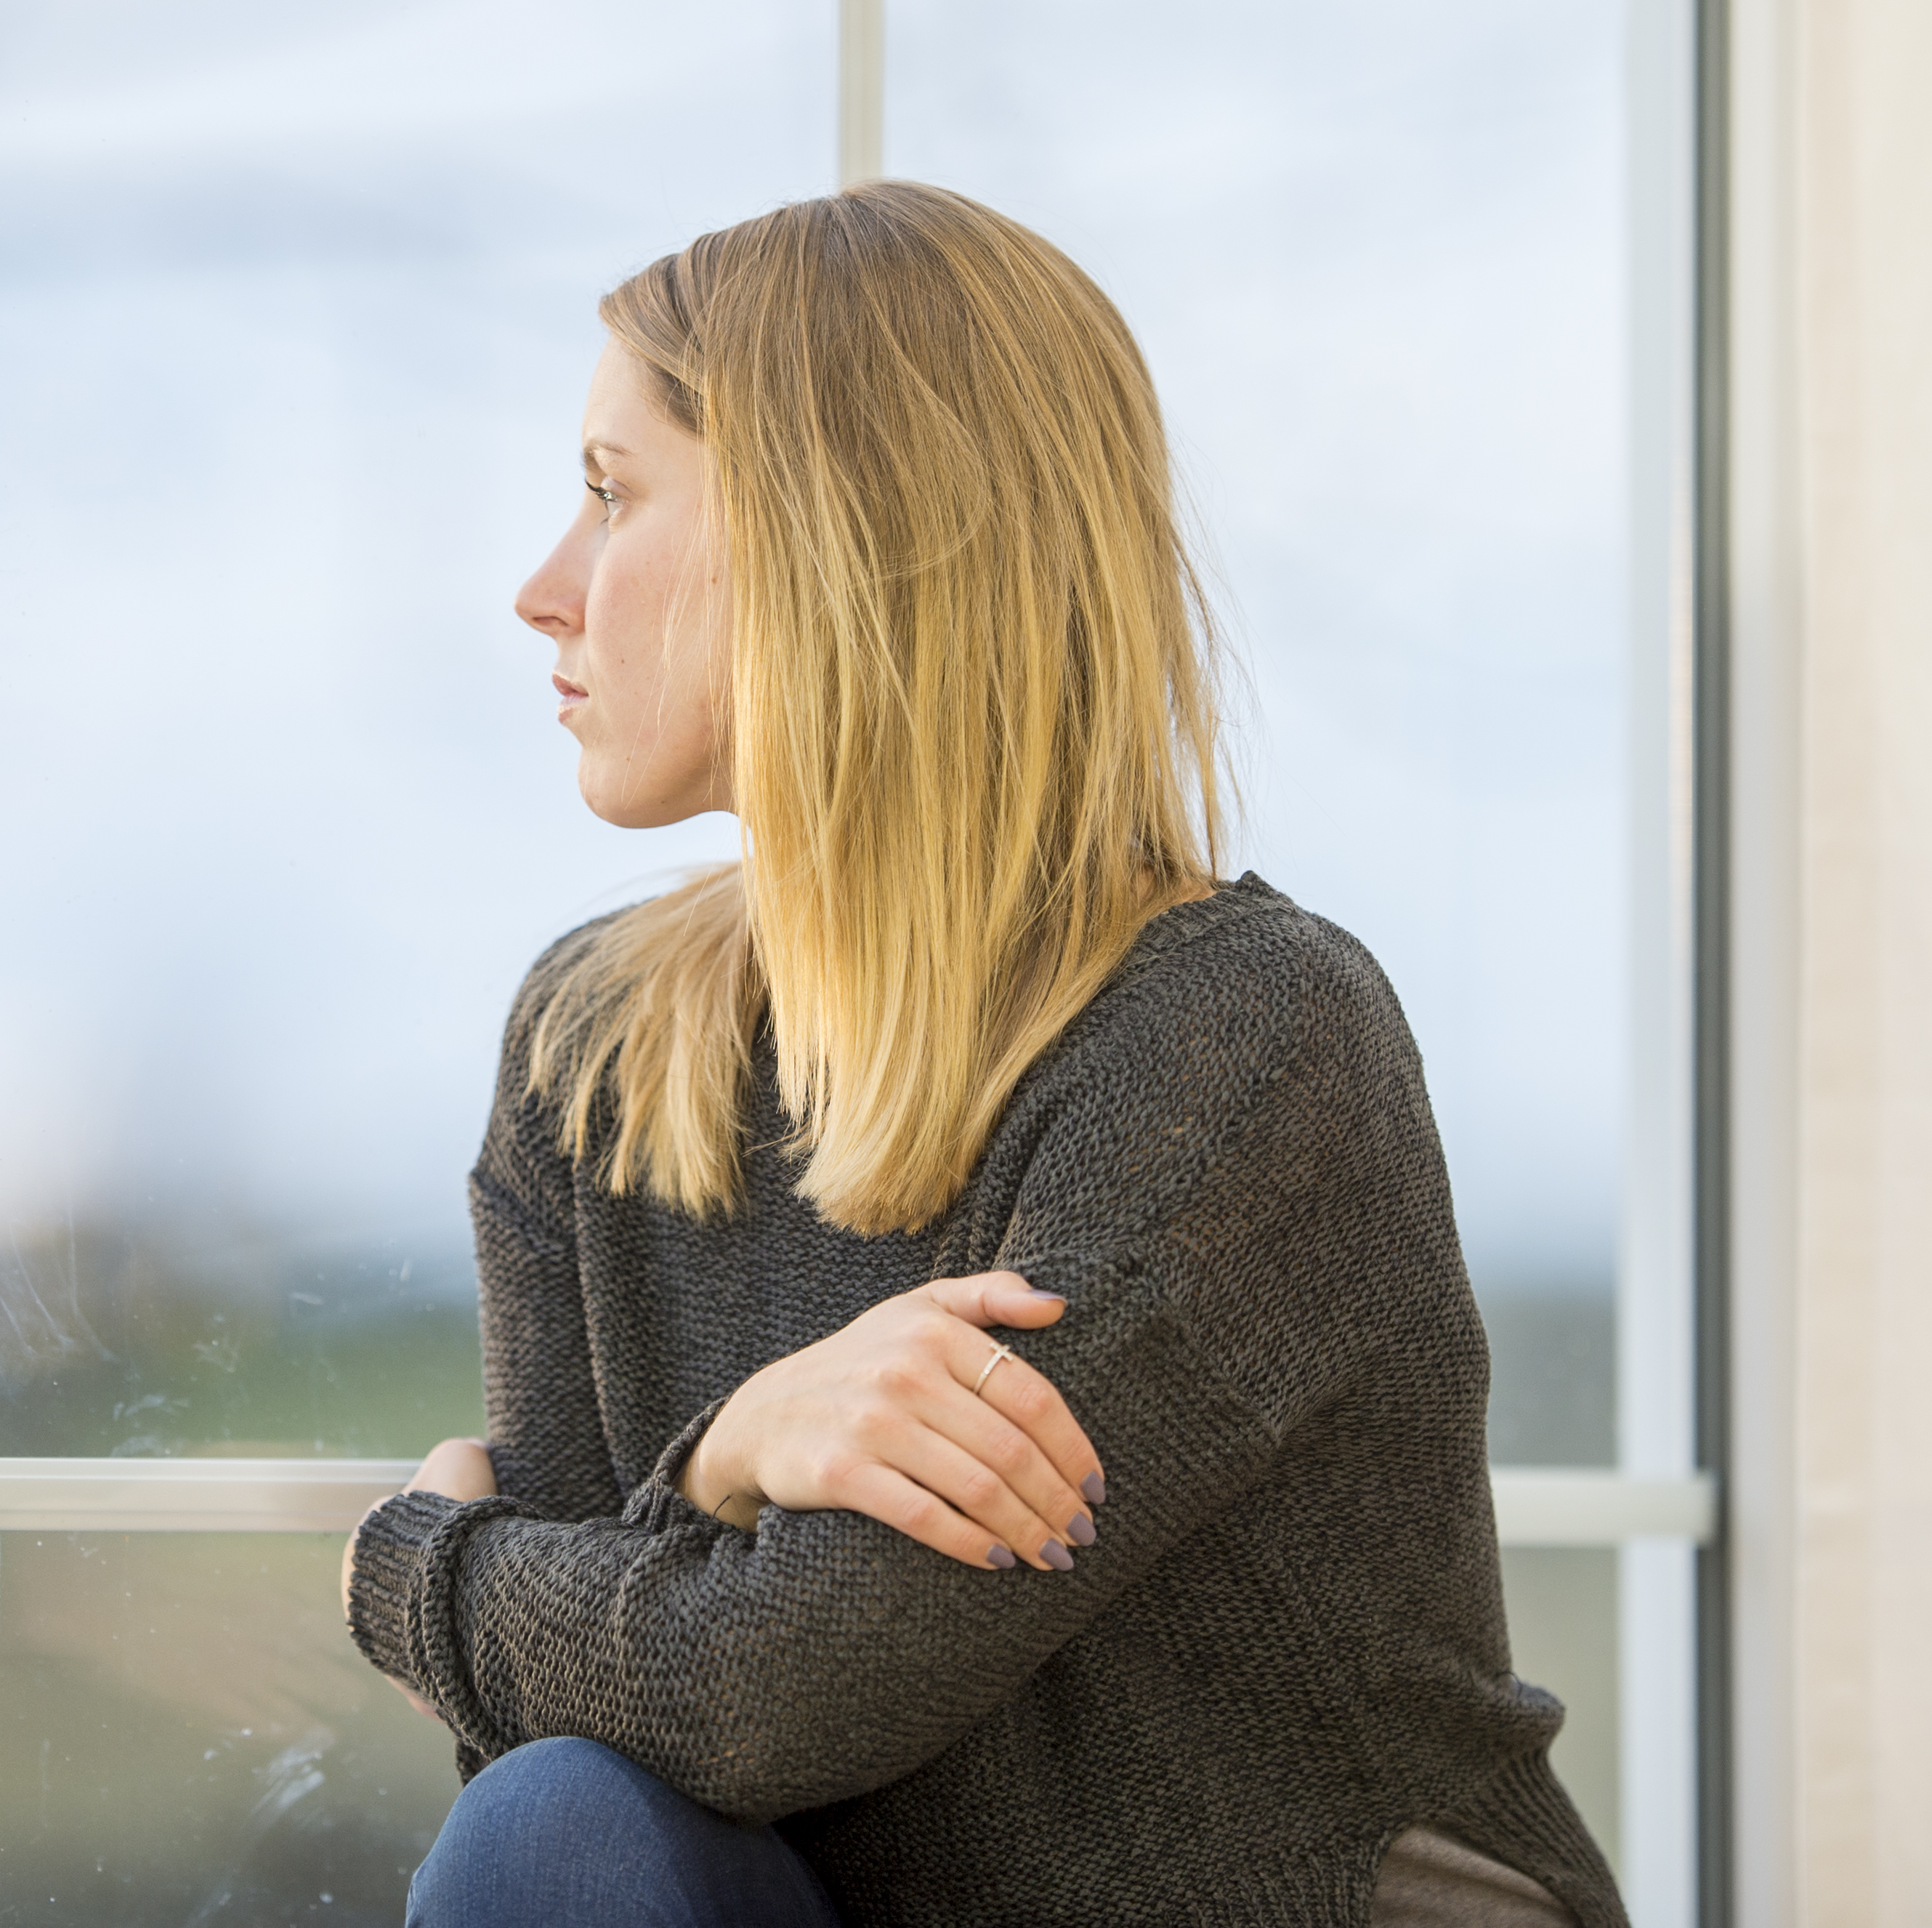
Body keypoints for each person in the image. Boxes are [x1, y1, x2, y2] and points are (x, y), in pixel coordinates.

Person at [339, 182, 1624, 1928]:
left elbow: (772, 1690)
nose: (541, 591)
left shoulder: (1241, 1039)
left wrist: (409, 1572)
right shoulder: (602, 1047)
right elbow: (569, 1737)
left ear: (835, 536)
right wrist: (730, 1458)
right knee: (564, 1825)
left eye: (610, 493)